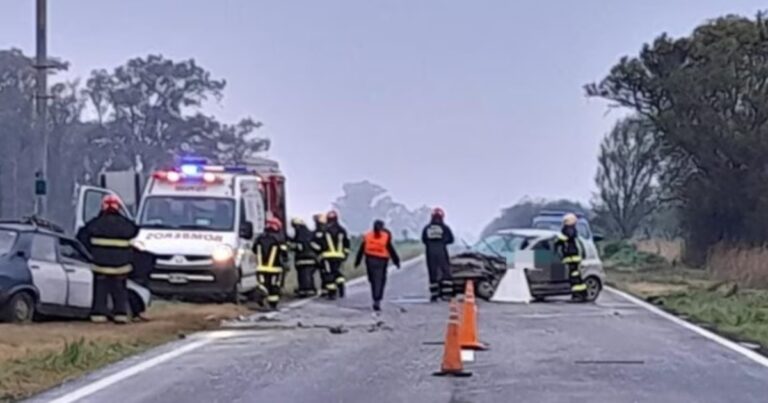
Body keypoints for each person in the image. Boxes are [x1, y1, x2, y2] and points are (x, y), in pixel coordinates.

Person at [76, 195, 139, 324]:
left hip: (100, 266)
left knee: (100, 291)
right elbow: (135, 232)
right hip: (121, 267)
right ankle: (120, 315)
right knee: (120, 291)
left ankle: (99, 315)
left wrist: (91, 254)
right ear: (118, 207)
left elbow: (81, 237)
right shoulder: (127, 225)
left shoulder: (95, 224)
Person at [355, 220, 401, 312]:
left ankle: (376, 298)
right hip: (381, 260)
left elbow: (361, 249)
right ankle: (377, 299)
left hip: (370, 260)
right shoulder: (385, 236)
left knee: (373, 280)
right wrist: (396, 261)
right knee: (379, 280)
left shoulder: (368, 236)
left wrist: (357, 261)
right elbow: (391, 249)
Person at [312, 210, 350, 300]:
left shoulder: (324, 230)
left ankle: (332, 293)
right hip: (339, 256)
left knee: (329, 274)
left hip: (327, 256)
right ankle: (341, 287)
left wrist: (318, 252)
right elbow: (347, 244)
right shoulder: (342, 230)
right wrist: (345, 255)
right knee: (337, 272)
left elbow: (317, 243)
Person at [253, 218, 289, 310]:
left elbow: (254, 250)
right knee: (274, 287)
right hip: (274, 269)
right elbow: (284, 253)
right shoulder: (279, 239)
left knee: (262, 285)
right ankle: (272, 305)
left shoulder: (259, 238)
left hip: (260, 268)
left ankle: (261, 299)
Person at [421, 207, 455, 302]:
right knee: (446, 272)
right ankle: (447, 294)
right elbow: (451, 239)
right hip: (441, 252)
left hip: (430, 253)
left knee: (433, 273)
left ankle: (434, 295)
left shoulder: (426, 228)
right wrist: (442, 242)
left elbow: (423, 240)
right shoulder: (445, 228)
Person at [554, 213, 588, 301]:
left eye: (565, 221)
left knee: (574, 277)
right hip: (573, 257)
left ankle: (578, 295)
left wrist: (556, 243)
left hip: (572, 257)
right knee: (575, 277)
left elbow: (563, 239)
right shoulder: (571, 229)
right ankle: (581, 294)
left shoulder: (569, 230)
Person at [289, 217, 319, 297]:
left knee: (303, 275)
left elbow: (299, 246)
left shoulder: (299, 234)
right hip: (312, 258)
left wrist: (290, 246)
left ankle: (305, 290)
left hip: (302, 258)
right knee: (309, 275)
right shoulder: (309, 233)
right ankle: (310, 289)